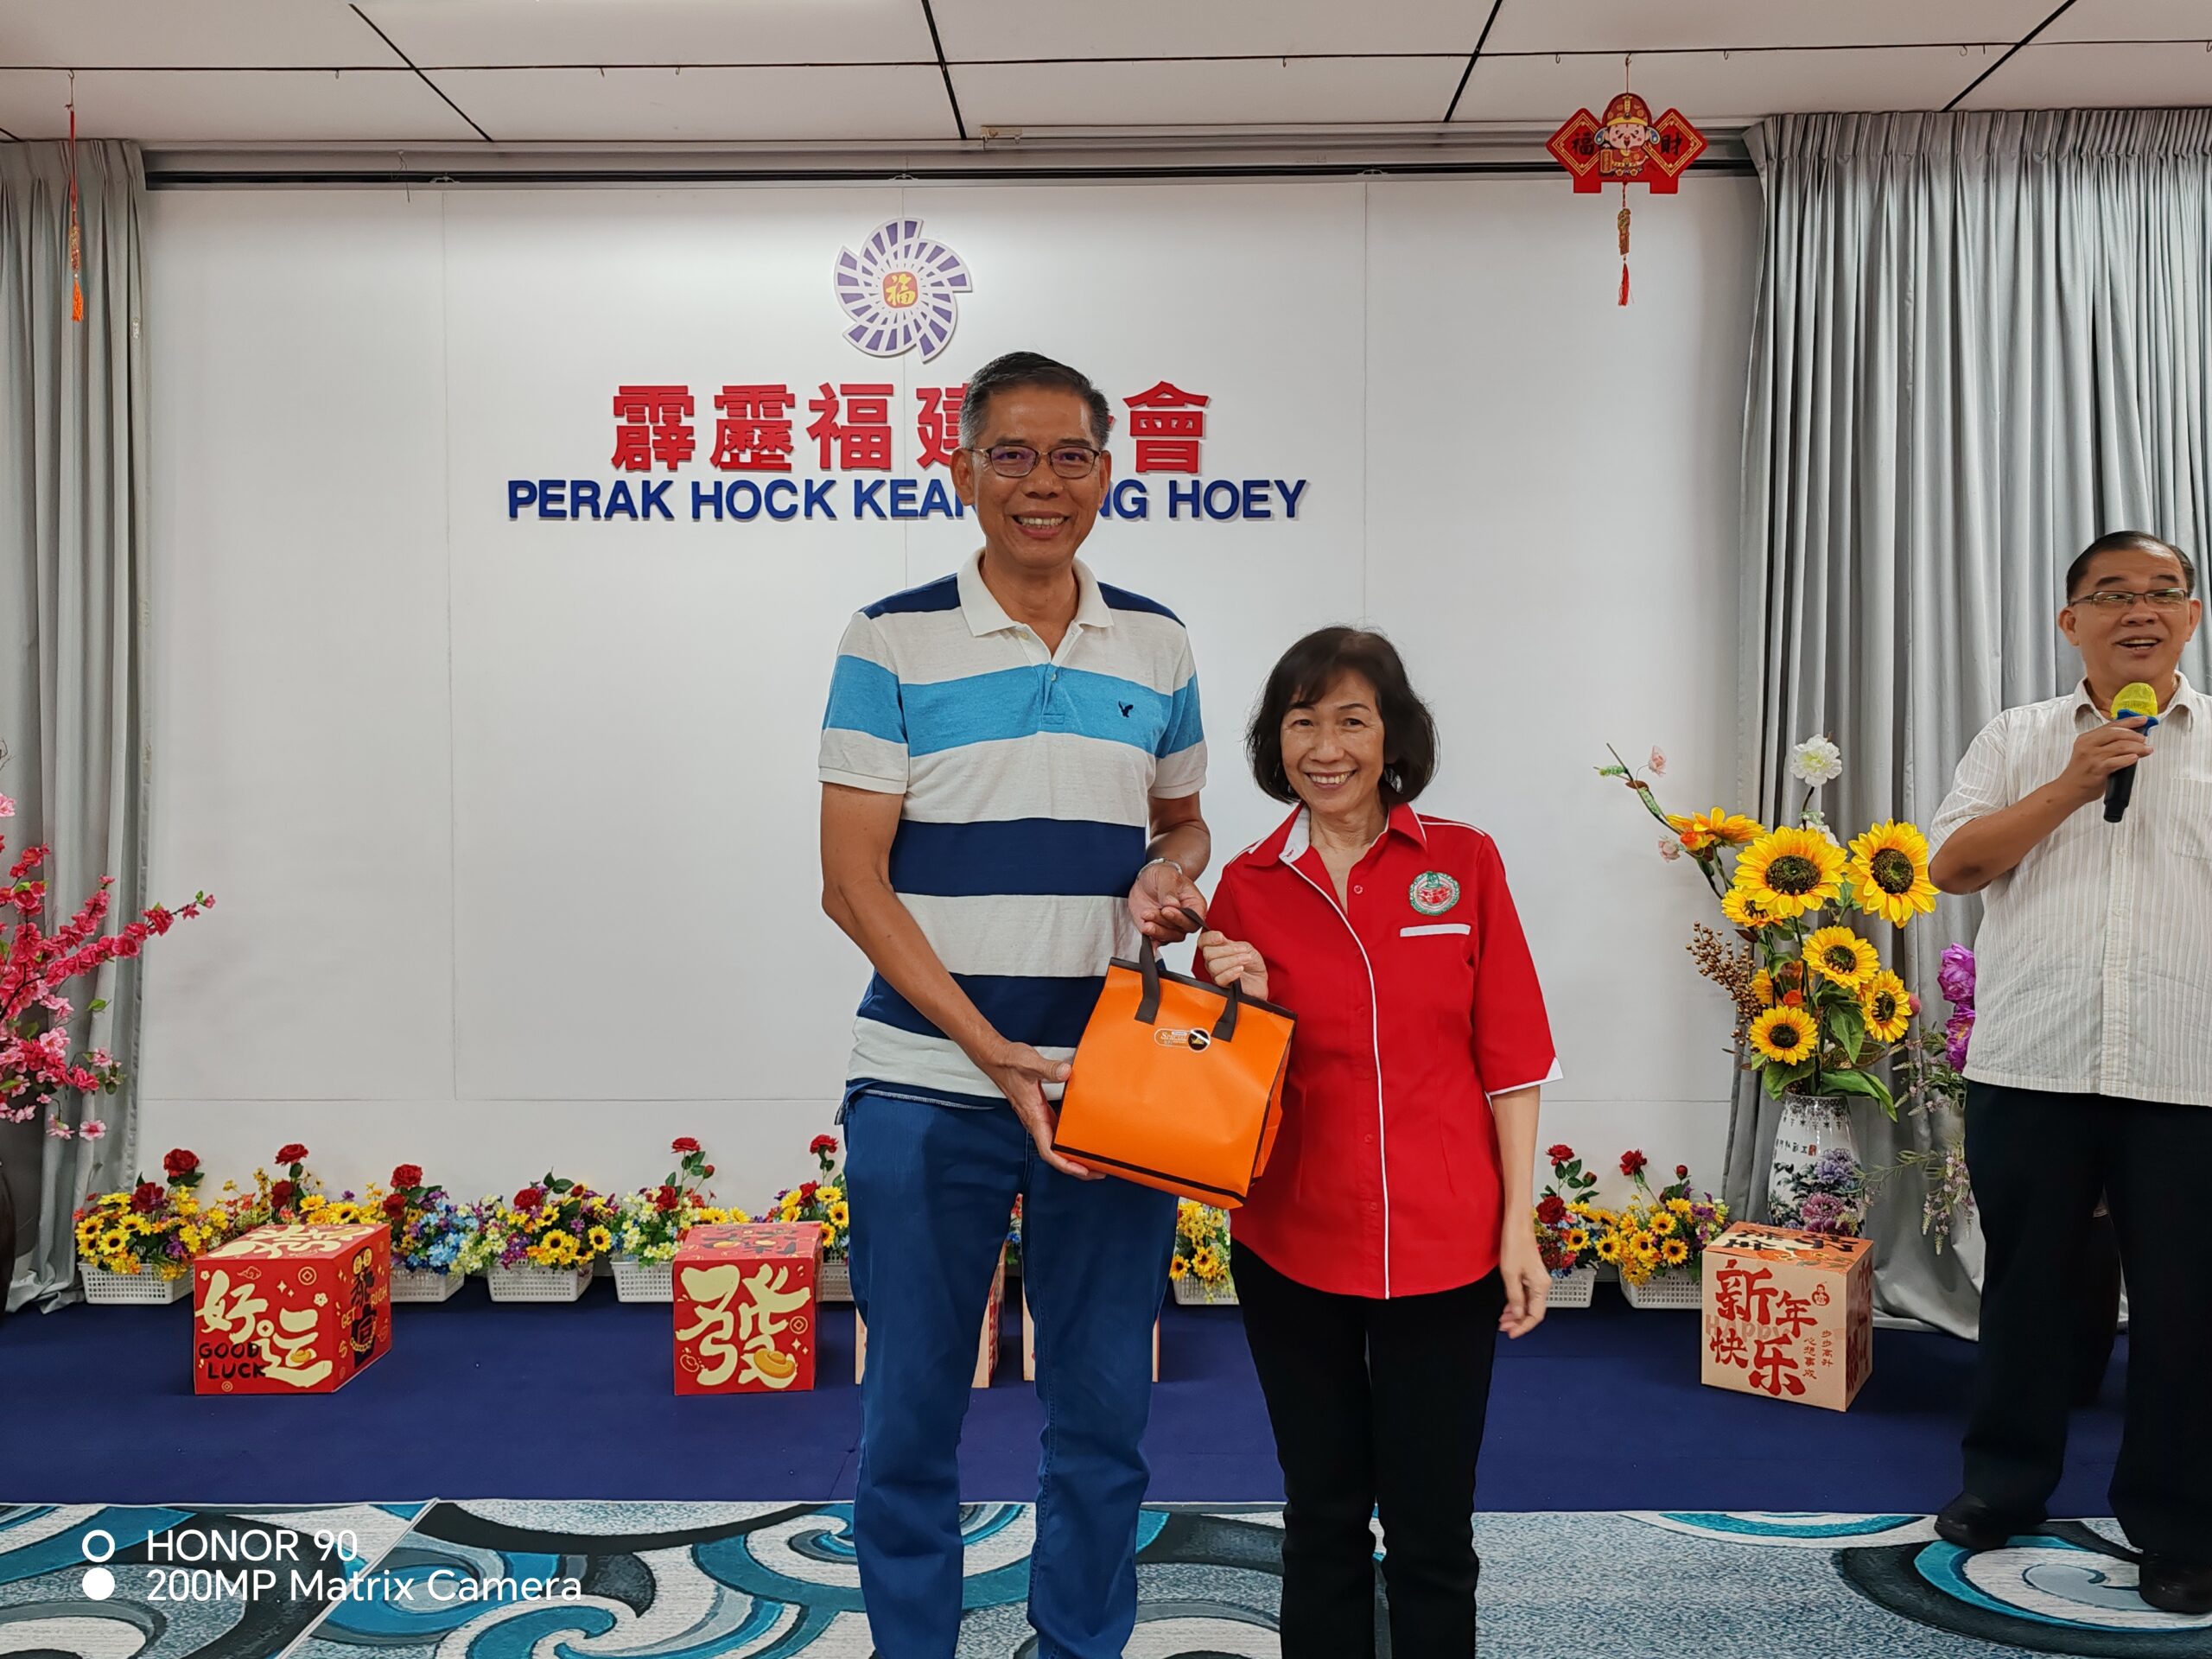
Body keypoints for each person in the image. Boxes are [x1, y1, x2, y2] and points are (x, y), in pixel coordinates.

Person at [817, 351, 1211, 1658]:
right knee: (909, 1417)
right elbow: (852, 884)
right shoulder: (889, 638)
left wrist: (1167, 871)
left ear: (1107, 473)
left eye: (1070, 458)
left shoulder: (1156, 641)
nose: (1043, 485)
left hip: (1112, 1084)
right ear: (962, 471)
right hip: (928, 1085)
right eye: (1013, 456)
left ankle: (1079, 1643)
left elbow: (1184, 820)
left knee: (1103, 1419)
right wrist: (991, 1052)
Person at [1195, 626, 1556, 1657]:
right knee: (1320, 1516)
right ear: (1275, 743)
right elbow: (1225, 1085)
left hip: (1445, 1242)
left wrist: (1516, 1229)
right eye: (1302, 722)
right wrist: (1244, 1003)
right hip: (1291, 1238)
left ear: (1391, 736)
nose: (1327, 747)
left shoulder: (1463, 862)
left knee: (1432, 1526)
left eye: (1351, 720)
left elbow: (1512, 1060)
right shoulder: (1249, 884)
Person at [1928, 530, 2209, 1616]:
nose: (2138, 611)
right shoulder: (2018, 737)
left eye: (2161, 592)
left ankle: (2180, 1525)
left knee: (2186, 1309)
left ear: (2189, 615)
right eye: (2111, 594)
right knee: (2029, 1289)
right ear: (2069, 621)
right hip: (2034, 1061)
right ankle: (2002, 1486)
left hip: (2187, 1068)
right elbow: (1954, 864)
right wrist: (2069, 784)